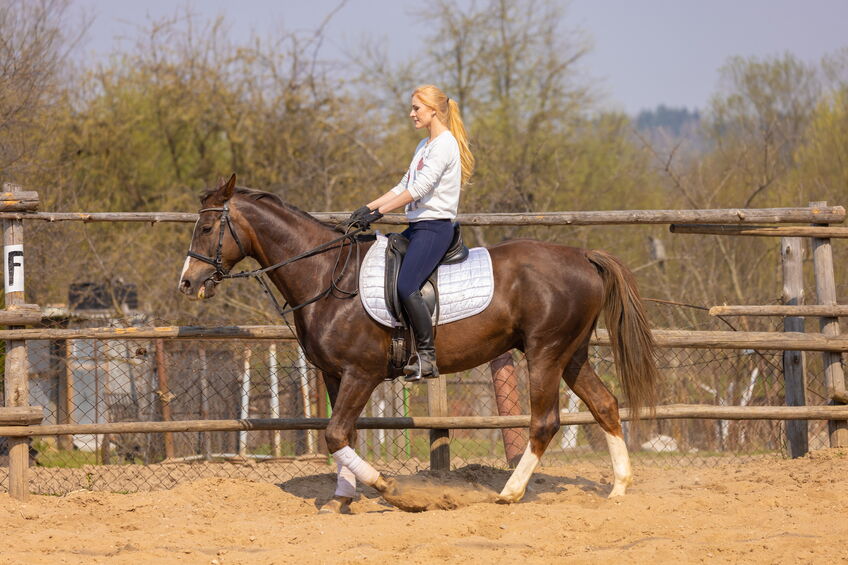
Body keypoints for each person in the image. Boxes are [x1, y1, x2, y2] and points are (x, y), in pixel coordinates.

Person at [348, 84, 475, 381]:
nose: (411, 114)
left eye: (416, 108)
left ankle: (428, 356)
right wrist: (367, 207)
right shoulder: (424, 146)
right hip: (417, 226)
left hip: (435, 228)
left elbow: (419, 189)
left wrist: (381, 212)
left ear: (433, 110)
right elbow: (403, 186)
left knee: (406, 285)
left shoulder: (445, 144)